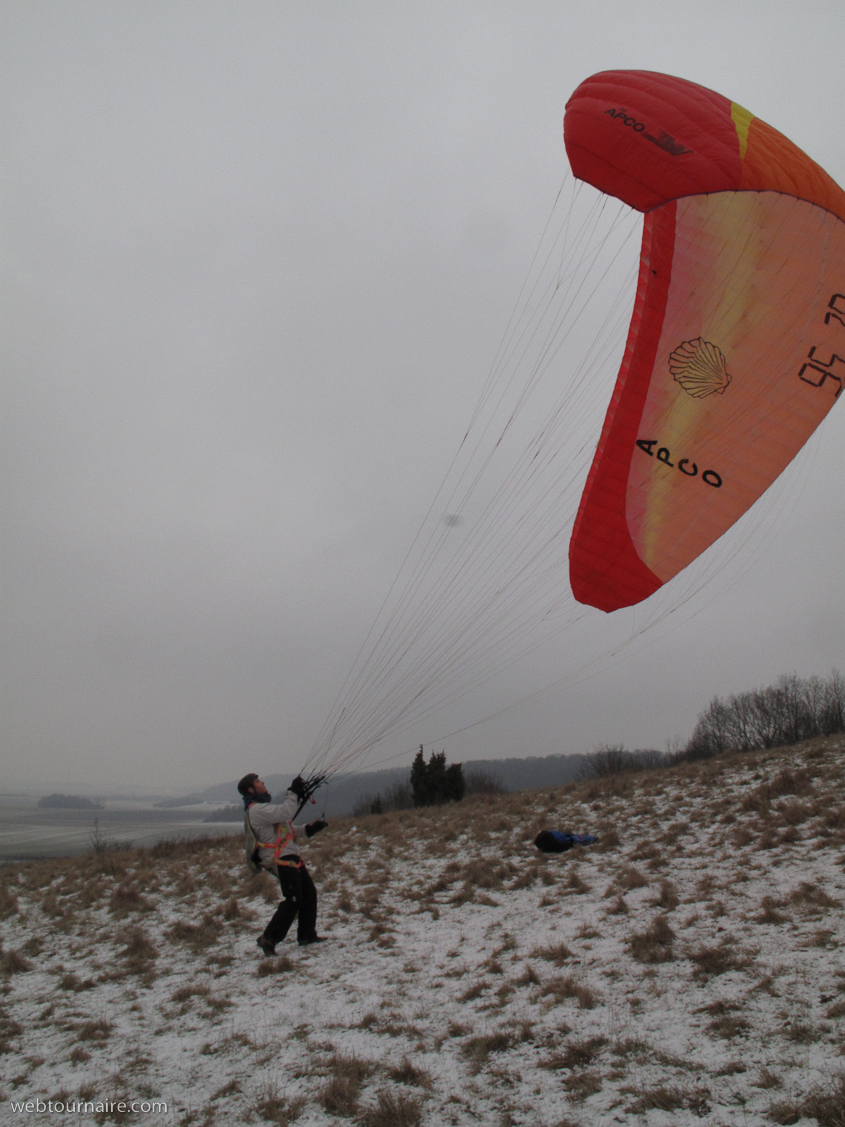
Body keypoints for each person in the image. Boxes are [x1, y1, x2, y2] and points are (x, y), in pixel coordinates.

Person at [238, 773, 328, 955]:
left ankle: (306, 935)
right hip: (279, 859)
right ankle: (269, 938)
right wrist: (292, 792)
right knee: (294, 898)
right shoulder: (256, 810)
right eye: (258, 782)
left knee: (308, 894)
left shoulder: (265, 809)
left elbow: (288, 831)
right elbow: (286, 812)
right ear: (251, 789)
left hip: (290, 856)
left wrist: (309, 829)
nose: (262, 782)